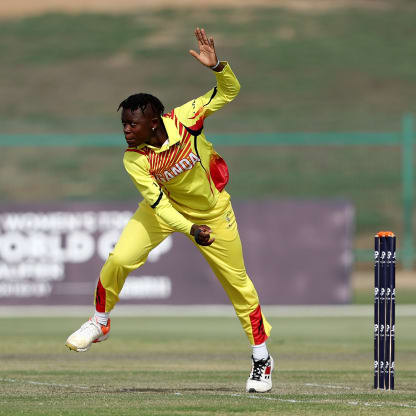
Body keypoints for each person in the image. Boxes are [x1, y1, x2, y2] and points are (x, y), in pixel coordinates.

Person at [65, 27, 273, 393]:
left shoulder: (186, 118)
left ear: (155, 119)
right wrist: (189, 230)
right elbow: (159, 205)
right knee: (118, 260)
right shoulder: (134, 158)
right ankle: (100, 321)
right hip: (163, 212)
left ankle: (261, 358)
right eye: (124, 125)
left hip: (212, 213)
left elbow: (230, 92)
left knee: (239, 286)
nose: (127, 131)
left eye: (133, 124)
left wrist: (218, 67)